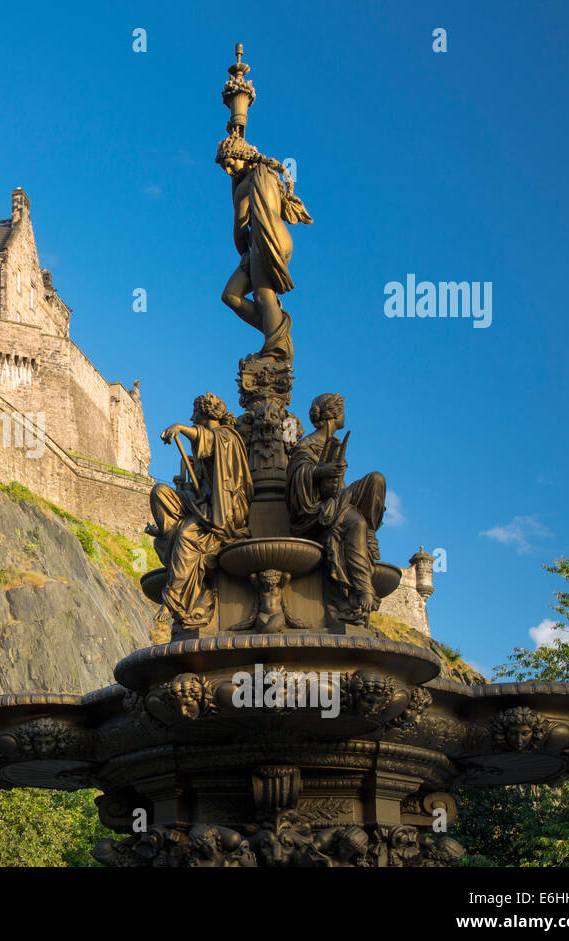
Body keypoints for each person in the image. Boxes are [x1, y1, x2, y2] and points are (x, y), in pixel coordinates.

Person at [146, 392, 252, 628]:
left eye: (195, 412)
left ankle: (173, 599)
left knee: (187, 536)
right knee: (160, 493)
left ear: (205, 413)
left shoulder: (227, 437)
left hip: (223, 511)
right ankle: (167, 530)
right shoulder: (205, 444)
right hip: (201, 502)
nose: (192, 417)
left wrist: (181, 428)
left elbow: (210, 440)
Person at [286, 393, 386, 622]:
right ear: (333, 413)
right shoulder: (307, 445)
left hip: (339, 498)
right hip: (320, 510)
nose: (344, 415)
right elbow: (296, 476)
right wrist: (323, 471)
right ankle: (362, 589)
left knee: (376, 480)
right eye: (342, 409)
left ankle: (369, 530)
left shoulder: (333, 443)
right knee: (355, 523)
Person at [217, 134, 312, 363]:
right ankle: (276, 333)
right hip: (283, 240)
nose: (230, 172)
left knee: (263, 294)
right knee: (231, 295)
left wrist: (244, 254)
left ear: (241, 156)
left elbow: (240, 227)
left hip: (264, 241)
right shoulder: (267, 174)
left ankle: (276, 348)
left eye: (231, 165)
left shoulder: (245, 187)